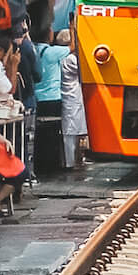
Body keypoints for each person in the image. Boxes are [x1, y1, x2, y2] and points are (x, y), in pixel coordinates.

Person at [31, 33, 69, 174]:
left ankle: (40, 164)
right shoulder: (54, 52)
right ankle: (52, 166)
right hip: (53, 97)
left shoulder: (32, 48)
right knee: (53, 134)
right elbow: (73, 46)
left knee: (39, 134)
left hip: (37, 98)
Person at [58, 31, 87, 176]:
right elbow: (83, 71)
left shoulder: (67, 57)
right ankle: (70, 162)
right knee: (70, 132)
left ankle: (76, 159)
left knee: (76, 131)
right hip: (72, 97)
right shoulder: (70, 59)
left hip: (74, 96)